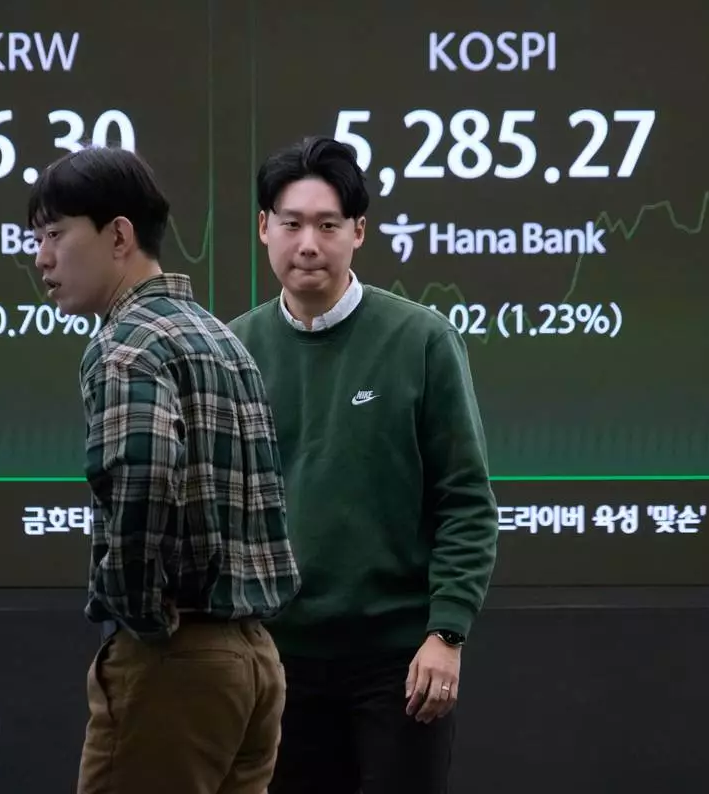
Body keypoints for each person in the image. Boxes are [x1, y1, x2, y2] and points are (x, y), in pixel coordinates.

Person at [228, 136, 500, 794]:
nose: (308, 244)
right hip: (277, 659)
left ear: (359, 231)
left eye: (328, 225)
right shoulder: (233, 349)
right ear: (264, 228)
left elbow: (466, 501)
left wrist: (447, 633)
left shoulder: (421, 338)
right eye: (291, 224)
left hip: (398, 661)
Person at [28, 145, 301, 794]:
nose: (40, 258)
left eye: (54, 235)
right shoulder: (223, 339)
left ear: (118, 234)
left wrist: (137, 617)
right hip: (256, 661)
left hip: (175, 659)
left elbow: (142, 478)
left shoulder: (125, 346)